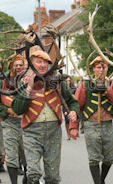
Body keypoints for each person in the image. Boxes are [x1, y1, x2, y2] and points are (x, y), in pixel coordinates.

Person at [11, 46, 79, 184]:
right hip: (31, 131)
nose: (42, 65)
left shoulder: (57, 83)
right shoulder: (23, 81)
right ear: (31, 63)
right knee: (33, 173)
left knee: (53, 177)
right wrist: (29, 88)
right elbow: (17, 109)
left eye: (45, 62)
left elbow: (73, 102)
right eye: (38, 61)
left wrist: (73, 114)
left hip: (53, 131)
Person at [75, 56, 113, 184]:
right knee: (94, 158)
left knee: (109, 158)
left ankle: (101, 180)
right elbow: (77, 105)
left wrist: (107, 90)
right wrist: (73, 126)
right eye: (99, 67)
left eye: (104, 67)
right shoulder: (85, 83)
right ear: (93, 69)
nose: (101, 70)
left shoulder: (111, 83)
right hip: (91, 124)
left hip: (107, 123)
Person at [0, 54, 27, 184]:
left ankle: (28, 177)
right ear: (11, 66)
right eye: (16, 65)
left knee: (26, 155)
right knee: (11, 156)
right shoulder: (2, 81)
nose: (18, 67)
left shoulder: (29, 80)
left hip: (26, 123)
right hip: (9, 122)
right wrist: (7, 110)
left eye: (20, 65)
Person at [62, 76, 77, 140]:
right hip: (65, 105)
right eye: (66, 81)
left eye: (68, 80)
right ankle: (68, 134)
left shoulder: (73, 88)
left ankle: (74, 132)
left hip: (72, 105)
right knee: (67, 120)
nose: (67, 82)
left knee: (73, 119)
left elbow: (76, 97)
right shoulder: (62, 89)